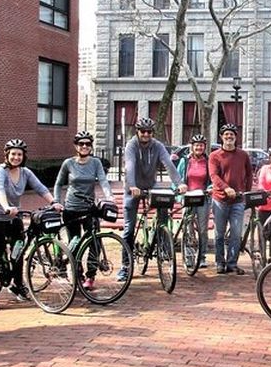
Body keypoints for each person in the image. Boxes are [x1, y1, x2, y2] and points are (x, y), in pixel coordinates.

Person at [0, 139, 63, 312]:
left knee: (18, 251)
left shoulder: (25, 172)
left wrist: (54, 202)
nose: (16, 157)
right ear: (7, 155)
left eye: (19, 154)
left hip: (14, 216)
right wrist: (6, 206)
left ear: (24, 156)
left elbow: (40, 188)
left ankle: (17, 285)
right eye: (13, 154)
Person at [120, 117, 187, 281]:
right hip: (133, 188)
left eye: (149, 132)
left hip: (151, 185)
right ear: (137, 132)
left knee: (164, 207)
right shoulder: (131, 145)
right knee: (129, 228)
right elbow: (130, 166)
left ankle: (163, 244)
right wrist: (132, 186)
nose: (146, 134)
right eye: (143, 131)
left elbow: (168, 164)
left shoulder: (157, 146)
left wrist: (179, 183)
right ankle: (125, 266)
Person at [54, 131, 114, 289]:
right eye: (81, 144)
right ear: (76, 146)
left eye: (88, 144)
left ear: (91, 146)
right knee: (75, 242)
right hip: (71, 208)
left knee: (95, 242)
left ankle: (90, 276)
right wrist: (56, 201)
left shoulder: (95, 163)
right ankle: (77, 273)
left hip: (89, 208)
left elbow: (103, 181)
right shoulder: (68, 163)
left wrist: (109, 196)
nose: (85, 146)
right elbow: (58, 184)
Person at [209, 124, 252, 275]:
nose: (229, 137)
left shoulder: (243, 155)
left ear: (235, 137)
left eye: (232, 134)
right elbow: (214, 176)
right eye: (226, 134)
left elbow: (249, 175)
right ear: (221, 137)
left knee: (236, 233)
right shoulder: (214, 155)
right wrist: (226, 188)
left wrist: (246, 192)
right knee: (219, 234)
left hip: (238, 201)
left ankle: (232, 263)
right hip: (220, 200)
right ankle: (220, 262)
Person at [177, 134, 212, 269]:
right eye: (196, 145)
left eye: (201, 145)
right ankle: (189, 257)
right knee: (188, 228)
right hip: (188, 197)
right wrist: (179, 193)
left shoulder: (208, 162)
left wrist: (210, 188)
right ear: (192, 146)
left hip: (202, 198)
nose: (199, 148)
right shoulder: (185, 161)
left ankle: (202, 257)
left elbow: (212, 179)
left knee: (202, 230)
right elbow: (177, 179)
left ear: (204, 147)